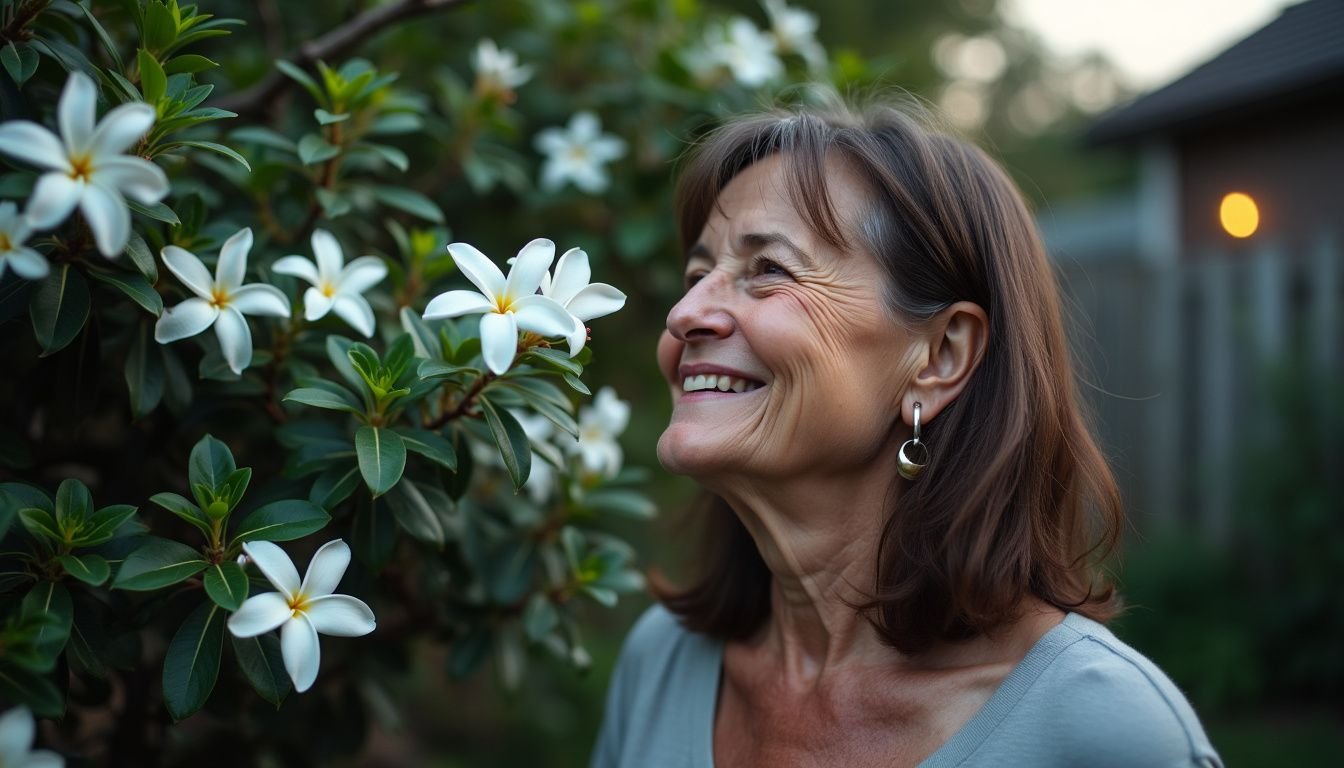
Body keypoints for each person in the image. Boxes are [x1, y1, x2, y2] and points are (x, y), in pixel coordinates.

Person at [589, 95, 1223, 768]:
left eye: (768, 270)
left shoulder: (1103, 732)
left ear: (940, 356)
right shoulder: (661, 662)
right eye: (696, 274)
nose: (686, 313)